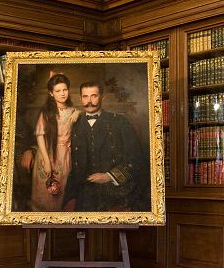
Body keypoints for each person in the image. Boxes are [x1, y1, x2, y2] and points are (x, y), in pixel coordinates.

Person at [62, 81, 148, 212]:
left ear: (102, 97)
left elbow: (136, 160)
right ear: (80, 98)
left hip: (115, 193)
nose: (89, 101)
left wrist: (109, 176)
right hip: (84, 195)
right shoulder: (75, 125)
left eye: (94, 96)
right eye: (85, 96)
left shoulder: (120, 122)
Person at [28, 73, 80, 211]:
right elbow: (40, 136)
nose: (62, 93)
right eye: (58, 91)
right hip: (48, 153)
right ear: (51, 93)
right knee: (46, 192)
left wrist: (79, 113)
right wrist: (46, 161)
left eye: (65, 89)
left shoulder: (73, 111)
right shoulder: (47, 112)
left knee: (62, 193)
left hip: (66, 155)